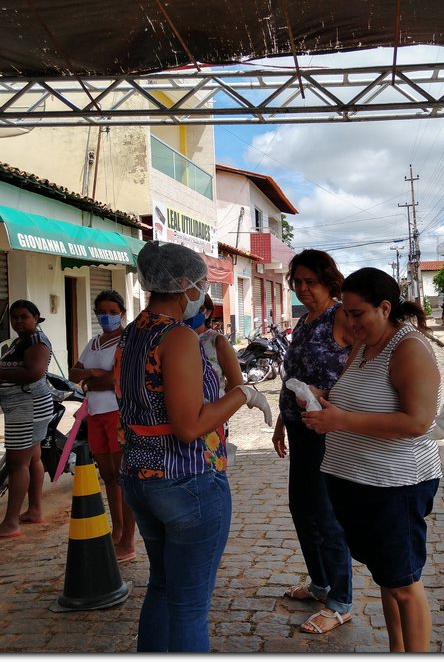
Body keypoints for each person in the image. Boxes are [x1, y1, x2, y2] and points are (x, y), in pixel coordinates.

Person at [114, 241, 273, 652]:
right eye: (201, 284)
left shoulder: (131, 333)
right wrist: (245, 395)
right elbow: (189, 427)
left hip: (140, 477)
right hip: (186, 480)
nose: (203, 292)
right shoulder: (177, 336)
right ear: (184, 285)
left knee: (163, 587)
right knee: (188, 606)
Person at [302, 267, 442, 652]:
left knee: (404, 584)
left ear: (384, 307)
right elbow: (350, 402)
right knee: (387, 579)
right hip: (355, 482)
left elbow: (417, 421)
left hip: (395, 486)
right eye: (345, 312)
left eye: (357, 312)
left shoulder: (408, 348)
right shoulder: (364, 347)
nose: (349, 321)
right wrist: (323, 404)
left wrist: (340, 419)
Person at [271, 249, 355, 635]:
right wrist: (280, 424)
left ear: (328, 281)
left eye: (311, 282)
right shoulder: (304, 322)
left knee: (326, 514)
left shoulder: (342, 317)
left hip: (328, 433)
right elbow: (293, 375)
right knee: (301, 508)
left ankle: (340, 601)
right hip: (298, 428)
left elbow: (364, 367)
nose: (304, 289)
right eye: (298, 283)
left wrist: (333, 398)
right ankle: (319, 584)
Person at [69, 289, 136, 562]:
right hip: (95, 415)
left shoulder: (126, 342)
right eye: (102, 312)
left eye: (112, 311)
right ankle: (116, 530)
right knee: (108, 476)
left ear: (122, 313)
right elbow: (74, 372)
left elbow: (116, 379)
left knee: (124, 476)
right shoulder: (94, 343)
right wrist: (95, 375)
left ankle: (128, 540)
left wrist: (92, 378)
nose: (106, 316)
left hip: (117, 414)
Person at [0, 300, 52, 542]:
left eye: (24, 316)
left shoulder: (36, 342)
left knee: (16, 463)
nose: (18, 321)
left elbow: (34, 372)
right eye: (14, 317)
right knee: (32, 459)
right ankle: (34, 510)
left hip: (27, 407)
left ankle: (10, 523)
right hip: (22, 408)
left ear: (36, 318)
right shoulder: (18, 343)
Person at [186, 294, 244, 462]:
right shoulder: (176, 339)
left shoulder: (217, 341)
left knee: (213, 471)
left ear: (208, 312)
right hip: (185, 418)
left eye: (200, 309)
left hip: (213, 420)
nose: (193, 312)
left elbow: (236, 385)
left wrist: (219, 408)